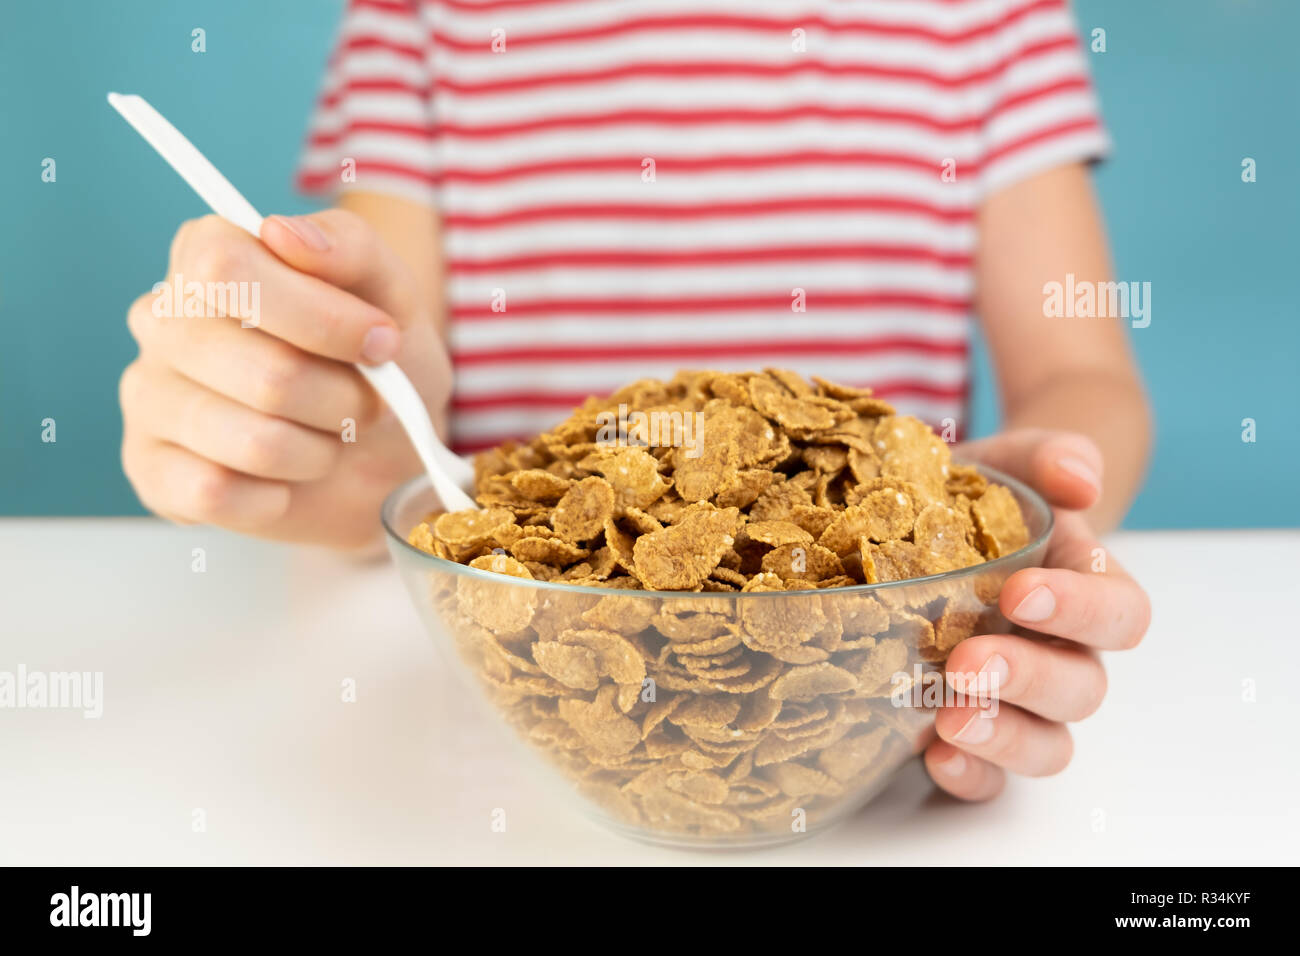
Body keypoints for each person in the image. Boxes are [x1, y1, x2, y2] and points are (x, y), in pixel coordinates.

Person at [118, 0, 1151, 802]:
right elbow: (386, 432)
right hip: (503, 726)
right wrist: (326, 421)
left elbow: (1084, 376)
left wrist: (1025, 524)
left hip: (882, 705)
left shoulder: (989, 19)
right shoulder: (425, 23)